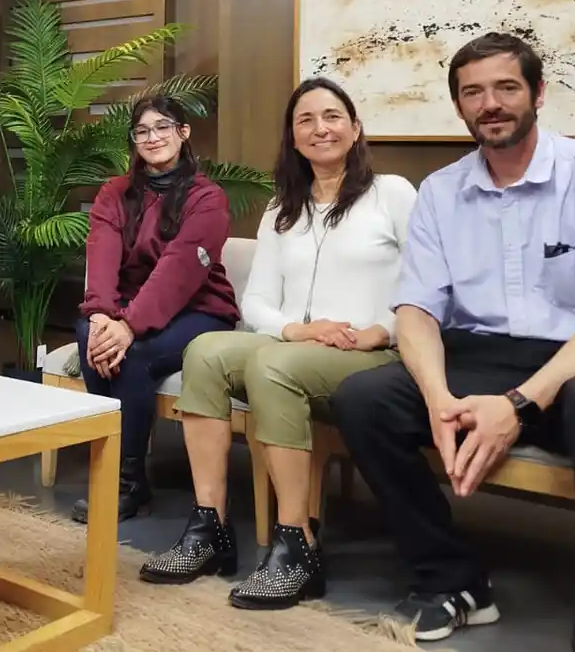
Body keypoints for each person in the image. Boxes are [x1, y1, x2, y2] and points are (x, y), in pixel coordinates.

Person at [330, 33, 575, 651]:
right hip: (481, 357)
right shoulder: (442, 192)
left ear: (537, 94)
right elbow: (416, 312)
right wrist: (437, 398)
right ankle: (451, 580)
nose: (490, 103)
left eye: (506, 87)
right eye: (473, 93)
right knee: (364, 398)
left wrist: (519, 404)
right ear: (459, 106)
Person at [140, 78, 415, 609]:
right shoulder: (282, 207)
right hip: (295, 345)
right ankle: (209, 527)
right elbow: (258, 301)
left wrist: (384, 329)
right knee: (206, 352)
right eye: (305, 120)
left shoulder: (393, 194)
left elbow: (427, 282)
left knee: (273, 367)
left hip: (369, 352)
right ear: (292, 136)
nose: (320, 128)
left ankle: (297, 544)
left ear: (355, 128)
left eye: (332, 116)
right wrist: (297, 330)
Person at [72, 95, 239, 525]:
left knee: (134, 354)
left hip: (200, 309)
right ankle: (114, 471)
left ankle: (125, 483)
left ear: (183, 133)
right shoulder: (115, 192)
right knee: (90, 333)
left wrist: (129, 326)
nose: (153, 138)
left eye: (163, 127)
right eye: (142, 131)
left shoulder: (207, 197)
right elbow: (102, 253)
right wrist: (101, 315)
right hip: (129, 308)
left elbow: (179, 270)